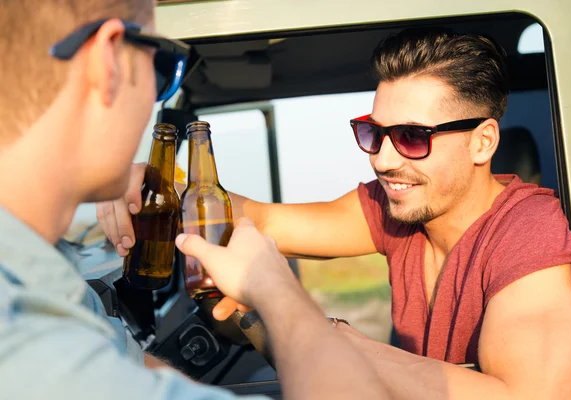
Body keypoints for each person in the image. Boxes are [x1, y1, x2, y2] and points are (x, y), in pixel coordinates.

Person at [101, 29, 571, 398]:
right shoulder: (401, 209)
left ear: (483, 142)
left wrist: (324, 338)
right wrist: (153, 179)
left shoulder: (528, 234)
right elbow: (264, 220)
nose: (382, 159)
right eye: (374, 133)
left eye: (413, 137)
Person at [0, 1, 392, 399]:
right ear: (108, 63)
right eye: (162, 66)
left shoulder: (51, 288)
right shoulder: (38, 353)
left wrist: (171, 188)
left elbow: (127, 365)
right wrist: (279, 293)